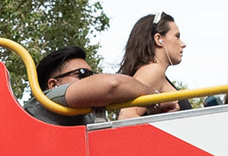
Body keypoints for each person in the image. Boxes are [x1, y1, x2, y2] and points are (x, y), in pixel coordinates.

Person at [20, 47, 151, 126]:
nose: (90, 80)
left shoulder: (86, 114)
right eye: (83, 74)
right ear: (54, 85)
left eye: (92, 75)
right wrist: (154, 99)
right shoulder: (46, 100)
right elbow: (112, 85)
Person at [117, 13, 186, 118]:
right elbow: (125, 117)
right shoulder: (153, 71)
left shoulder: (154, 72)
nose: (183, 44)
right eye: (177, 36)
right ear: (159, 39)